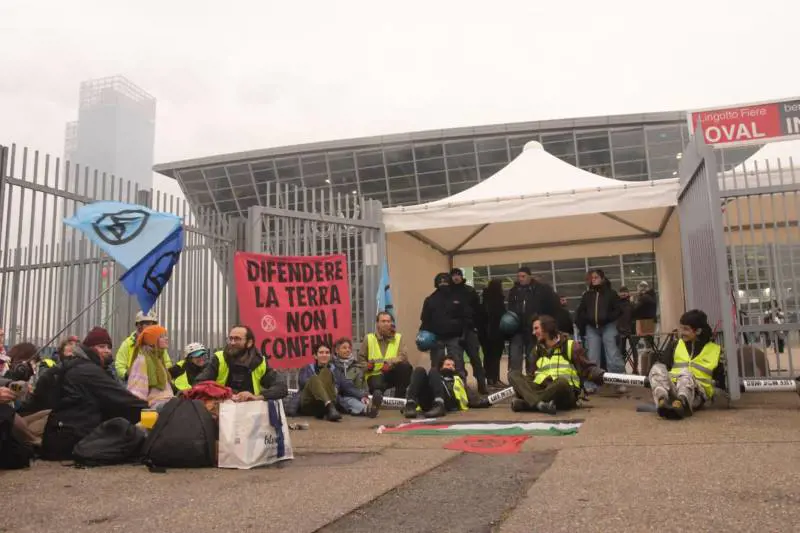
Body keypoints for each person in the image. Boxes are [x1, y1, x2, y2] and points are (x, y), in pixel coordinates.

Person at [40, 327, 148, 460]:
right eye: (101, 346)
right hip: (71, 440)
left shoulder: (84, 367)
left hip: (63, 435)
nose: (107, 350)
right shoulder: (88, 370)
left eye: (109, 347)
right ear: (89, 348)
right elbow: (120, 399)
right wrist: (152, 411)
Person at [509, 315, 604, 414]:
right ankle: (539, 404)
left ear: (546, 327)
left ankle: (529, 403)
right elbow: (531, 375)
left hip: (565, 391)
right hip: (543, 388)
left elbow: (587, 368)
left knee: (561, 382)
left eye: (536, 328)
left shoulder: (571, 346)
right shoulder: (536, 350)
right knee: (513, 375)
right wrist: (522, 386)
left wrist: (599, 374)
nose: (533, 333)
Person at [649, 310, 724, 420]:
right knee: (657, 368)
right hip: (674, 391)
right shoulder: (675, 345)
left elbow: (721, 381)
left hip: (697, 395)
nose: (681, 332)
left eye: (686, 329)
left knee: (685, 373)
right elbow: (662, 365)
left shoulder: (715, 350)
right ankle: (662, 401)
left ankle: (682, 405)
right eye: (681, 328)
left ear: (698, 331)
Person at [196, 325, 288, 402]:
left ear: (249, 343)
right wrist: (226, 394)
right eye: (230, 339)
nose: (232, 343)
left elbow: (281, 388)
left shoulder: (260, 362)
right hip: (221, 411)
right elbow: (199, 383)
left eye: (237, 339)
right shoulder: (219, 359)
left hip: (250, 414)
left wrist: (256, 397)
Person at [576, 269, 625, 393]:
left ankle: (618, 382)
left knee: (612, 354)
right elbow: (581, 312)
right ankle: (591, 384)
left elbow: (619, 310)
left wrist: (609, 318)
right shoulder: (587, 295)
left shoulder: (611, 294)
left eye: (596, 277)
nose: (594, 279)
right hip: (592, 328)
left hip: (608, 326)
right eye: (592, 278)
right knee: (592, 357)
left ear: (602, 278)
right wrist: (586, 321)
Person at [506, 266, 559, 374]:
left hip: (534, 329)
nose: (520, 279)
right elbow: (510, 308)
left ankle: (532, 379)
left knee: (532, 357)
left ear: (530, 276)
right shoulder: (514, 291)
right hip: (517, 329)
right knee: (515, 357)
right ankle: (516, 381)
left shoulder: (541, 290)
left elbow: (552, 306)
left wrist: (544, 321)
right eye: (519, 276)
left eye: (523, 276)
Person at [298, 342, 369, 422]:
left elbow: (347, 386)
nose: (324, 355)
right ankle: (329, 406)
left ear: (330, 355)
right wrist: (321, 384)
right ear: (315, 356)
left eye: (327, 353)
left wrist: (362, 396)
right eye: (321, 353)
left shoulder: (334, 370)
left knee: (327, 374)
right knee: (315, 379)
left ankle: (366, 409)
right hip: (310, 403)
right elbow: (303, 383)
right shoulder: (307, 369)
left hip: (326, 404)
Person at [403, 355, 490, 419]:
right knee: (419, 370)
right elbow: (414, 387)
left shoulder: (457, 379)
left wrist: (485, 401)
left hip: (446, 403)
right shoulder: (435, 376)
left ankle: (439, 404)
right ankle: (410, 405)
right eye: (448, 364)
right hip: (427, 402)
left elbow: (471, 396)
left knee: (433, 370)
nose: (451, 367)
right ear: (441, 367)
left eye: (453, 365)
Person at [359, 312, 413, 413]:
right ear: (377, 323)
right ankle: (376, 402)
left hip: (392, 372)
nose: (386, 324)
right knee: (377, 388)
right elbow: (361, 359)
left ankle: (400, 400)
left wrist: (389, 363)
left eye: (388, 321)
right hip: (374, 374)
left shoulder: (398, 337)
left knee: (405, 367)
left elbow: (403, 356)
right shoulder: (369, 338)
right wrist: (368, 366)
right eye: (383, 321)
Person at [420, 273, 469, 376]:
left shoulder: (458, 298)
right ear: (436, 284)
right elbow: (425, 320)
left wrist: (464, 335)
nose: (443, 283)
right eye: (441, 282)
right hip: (436, 338)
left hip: (455, 337)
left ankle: (460, 390)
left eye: (445, 281)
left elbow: (466, 317)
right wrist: (422, 337)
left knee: (457, 365)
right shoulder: (430, 300)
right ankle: (438, 390)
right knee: (437, 367)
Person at [449, 268, 488, 394]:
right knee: (458, 361)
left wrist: (476, 326)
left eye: (458, 275)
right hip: (455, 331)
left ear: (461, 276)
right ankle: (462, 388)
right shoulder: (448, 292)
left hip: (470, 330)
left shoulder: (470, 291)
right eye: (454, 275)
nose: (456, 277)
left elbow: (478, 310)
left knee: (475, 359)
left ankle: (482, 385)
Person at [126, 325, 174, 409]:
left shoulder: (158, 359)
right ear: (152, 341)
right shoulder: (142, 361)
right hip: (156, 406)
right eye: (162, 337)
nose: (166, 338)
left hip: (167, 402)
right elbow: (137, 392)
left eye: (166, 336)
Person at [115, 310, 172, 381]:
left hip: (155, 383)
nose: (151, 327)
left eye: (153, 324)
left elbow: (167, 363)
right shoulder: (128, 344)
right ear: (139, 325)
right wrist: (128, 375)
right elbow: (119, 365)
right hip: (133, 383)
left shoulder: (158, 344)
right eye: (147, 324)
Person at [331, 338, 373, 416]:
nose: (348, 350)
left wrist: (365, 394)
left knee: (365, 400)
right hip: (341, 397)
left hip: (358, 395)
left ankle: (368, 407)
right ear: (337, 350)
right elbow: (344, 388)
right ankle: (366, 409)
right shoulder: (332, 366)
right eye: (344, 348)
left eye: (349, 348)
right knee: (350, 401)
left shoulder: (356, 366)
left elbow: (364, 384)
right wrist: (361, 395)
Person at [480, 279, 507, 388]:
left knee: (487, 356)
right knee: (495, 357)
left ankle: (489, 379)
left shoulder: (484, 298)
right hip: (495, 332)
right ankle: (495, 379)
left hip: (484, 333)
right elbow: (499, 316)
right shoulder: (497, 300)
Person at [632, 281, 658, 351]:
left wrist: (632, 302)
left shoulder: (644, 298)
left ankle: (648, 358)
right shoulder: (651, 296)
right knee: (649, 343)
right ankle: (650, 358)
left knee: (645, 343)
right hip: (649, 320)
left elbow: (635, 309)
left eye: (639, 289)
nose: (638, 291)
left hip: (645, 321)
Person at [616, 286, 637, 372]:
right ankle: (622, 369)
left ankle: (635, 368)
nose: (623, 293)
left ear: (628, 293)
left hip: (631, 330)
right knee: (621, 352)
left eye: (625, 292)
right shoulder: (617, 305)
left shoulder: (632, 304)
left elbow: (635, 315)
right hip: (620, 330)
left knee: (634, 351)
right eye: (622, 292)